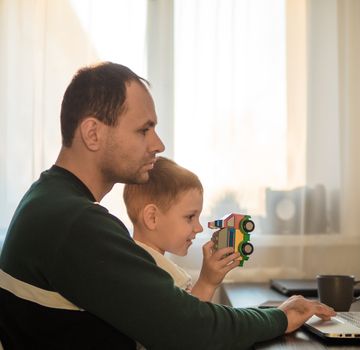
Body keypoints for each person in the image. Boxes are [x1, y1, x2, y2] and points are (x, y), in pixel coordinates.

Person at [0, 62, 335, 349]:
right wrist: (280, 317)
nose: (158, 144)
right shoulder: (76, 223)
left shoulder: (46, 198)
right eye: (144, 130)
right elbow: (192, 330)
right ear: (92, 133)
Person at [123, 156, 240, 302]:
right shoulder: (151, 278)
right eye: (190, 217)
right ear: (152, 218)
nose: (199, 228)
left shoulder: (138, 265)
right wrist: (206, 284)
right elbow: (187, 321)